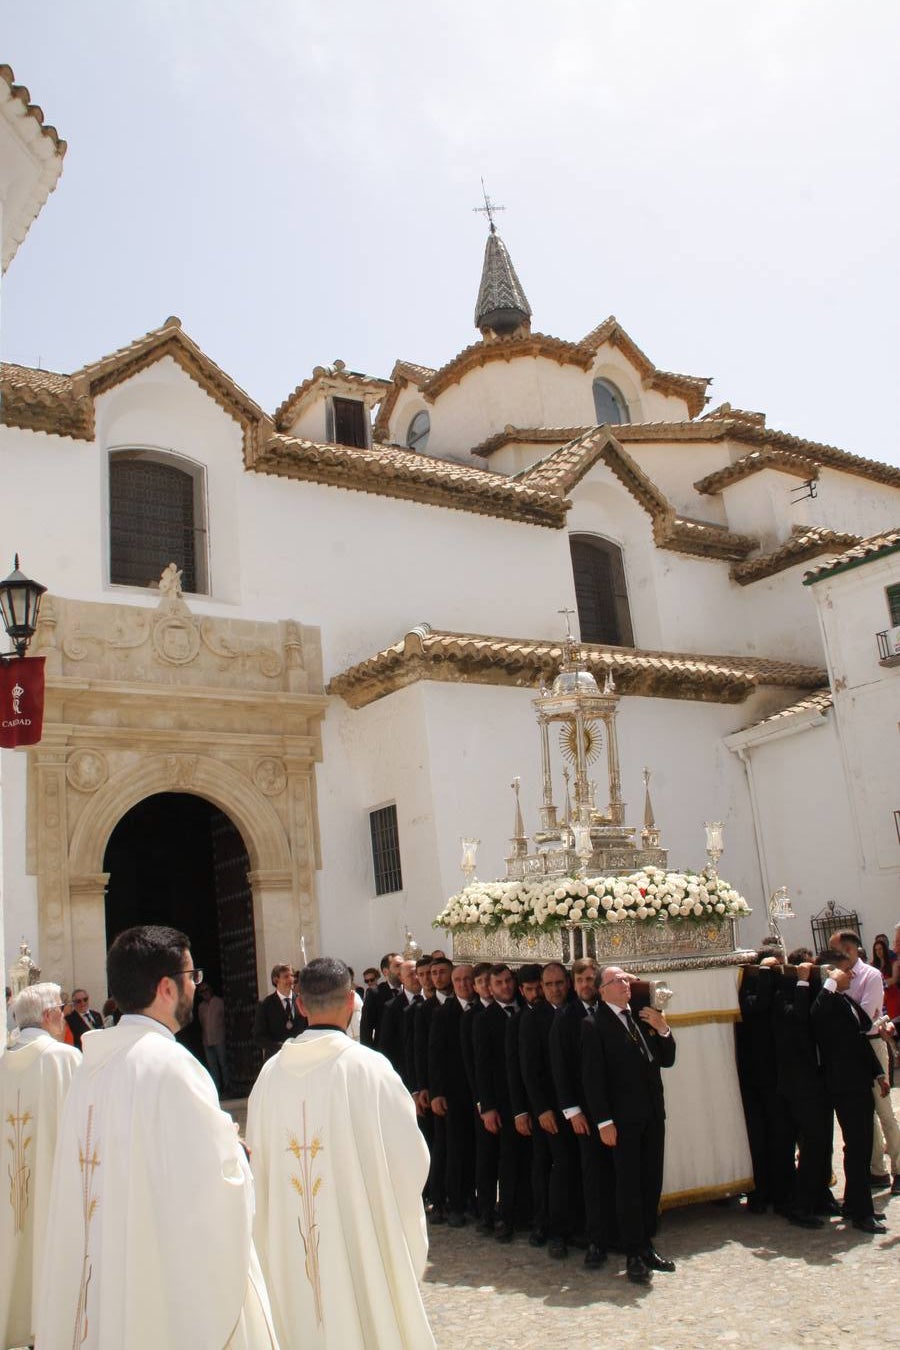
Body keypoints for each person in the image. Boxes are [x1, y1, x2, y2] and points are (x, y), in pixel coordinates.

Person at [39, 924, 277, 1348]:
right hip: (155, 1273)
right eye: (192, 977)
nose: (195, 986)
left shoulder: (90, 1068)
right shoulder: (173, 1065)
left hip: (109, 1269)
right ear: (167, 988)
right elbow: (215, 1187)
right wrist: (238, 1156)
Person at [247, 957, 435, 1350]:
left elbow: (258, 1167)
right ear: (352, 1000)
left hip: (291, 1248)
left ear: (300, 1004)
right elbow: (411, 1161)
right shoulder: (371, 1069)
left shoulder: (268, 1077)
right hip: (358, 1241)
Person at [583, 964, 676, 1284]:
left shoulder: (641, 1016)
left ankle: (647, 1242)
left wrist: (663, 1028)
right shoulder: (593, 1024)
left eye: (627, 979)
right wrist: (604, 1121)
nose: (626, 984)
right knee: (629, 1185)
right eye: (618, 980)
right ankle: (633, 1251)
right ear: (602, 989)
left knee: (651, 1180)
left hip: (652, 1113)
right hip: (621, 1120)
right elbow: (593, 1079)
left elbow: (666, 1059)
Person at [0, 982, 81, 1349]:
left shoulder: (3, 1064)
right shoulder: (65, 1060)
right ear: (49, 1015)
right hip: (57, 1190)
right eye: (62, 1010)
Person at [810, 949, 890, 1232]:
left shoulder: (845, 1000)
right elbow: (816, 1015)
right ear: (832, 973)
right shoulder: (827, 1001)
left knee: (861, 1146)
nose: (852, 974)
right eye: (846, 970)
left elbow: (861, 1038)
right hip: (844, 1085)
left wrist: (878, 1073)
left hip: (859, 1081)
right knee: (857, 1147)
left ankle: (857, 1204)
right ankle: (861, 1213)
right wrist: (830, 983)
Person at [253, 962, 308, 1059]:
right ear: (276, 980)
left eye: (292, 976)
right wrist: (280, 1047)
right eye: (286, 976)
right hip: (277, 1059)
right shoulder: (265, 1005)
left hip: (301, 1057)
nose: (291, 979)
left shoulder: (303, 1001)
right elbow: (259, 1037)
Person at [198, 981, 228, 1094]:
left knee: (223, 1064)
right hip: (207, 1040)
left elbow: (225, 1018)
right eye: (202, 992)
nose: (204, 993)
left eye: (206, 990)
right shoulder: (201, 1007)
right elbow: (202, 1023)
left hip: (219, 1038)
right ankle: (217, 1090)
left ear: (210, 990)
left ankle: (227, 1087)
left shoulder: (219, 1002)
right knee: (212, 1066)